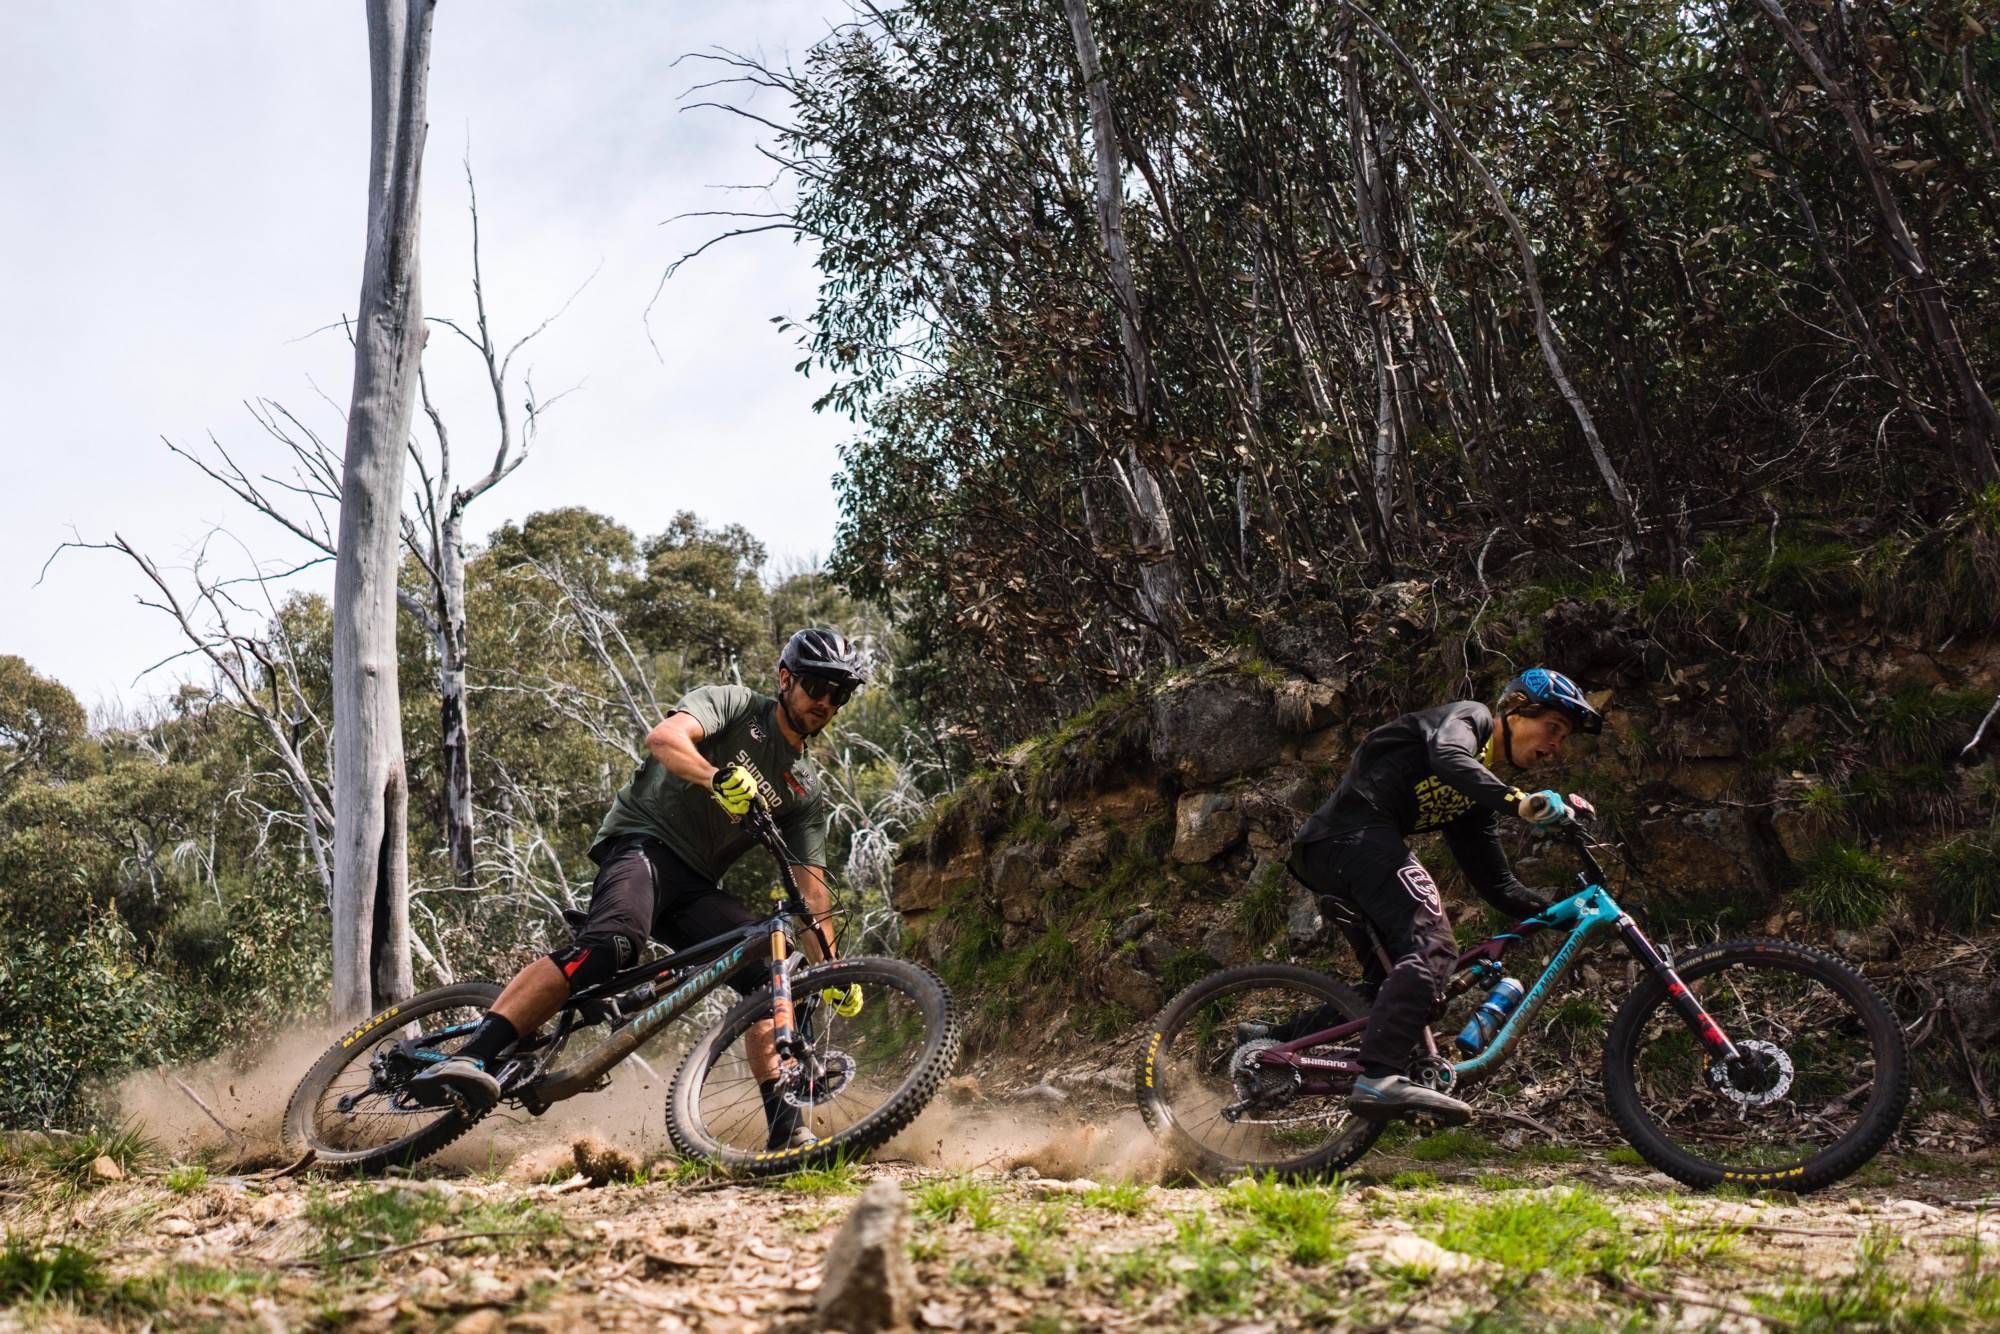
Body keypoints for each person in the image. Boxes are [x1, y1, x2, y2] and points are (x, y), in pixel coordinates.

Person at [412, 628, 868, 1150]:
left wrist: (830, 968)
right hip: (643, 843)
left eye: (841, 693)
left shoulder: (804, 790)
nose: (826, 702)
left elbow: (812, 893)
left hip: (695, 885)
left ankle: (786, 1129)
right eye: (816, 685)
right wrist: (715, 777)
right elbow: (665, 740)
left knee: (776, 968)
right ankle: (470, 1054)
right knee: (609, 949)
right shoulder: (738, 706)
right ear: (786, 679)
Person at [1284, 668, 1601, 1125]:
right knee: (1433, 948)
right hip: (1349, 837)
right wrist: (1520, 802)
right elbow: (1450, 757)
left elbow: (1500, 887)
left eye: (1564, 737)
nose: (1556, 744)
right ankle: (1379, 1079)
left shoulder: (1473, 801)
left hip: (1336, 853)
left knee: (1388, 991)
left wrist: (1564, 913)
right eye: (1552, 727)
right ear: (1513, 711)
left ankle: (1265, 1051)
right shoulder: (1470, 719)